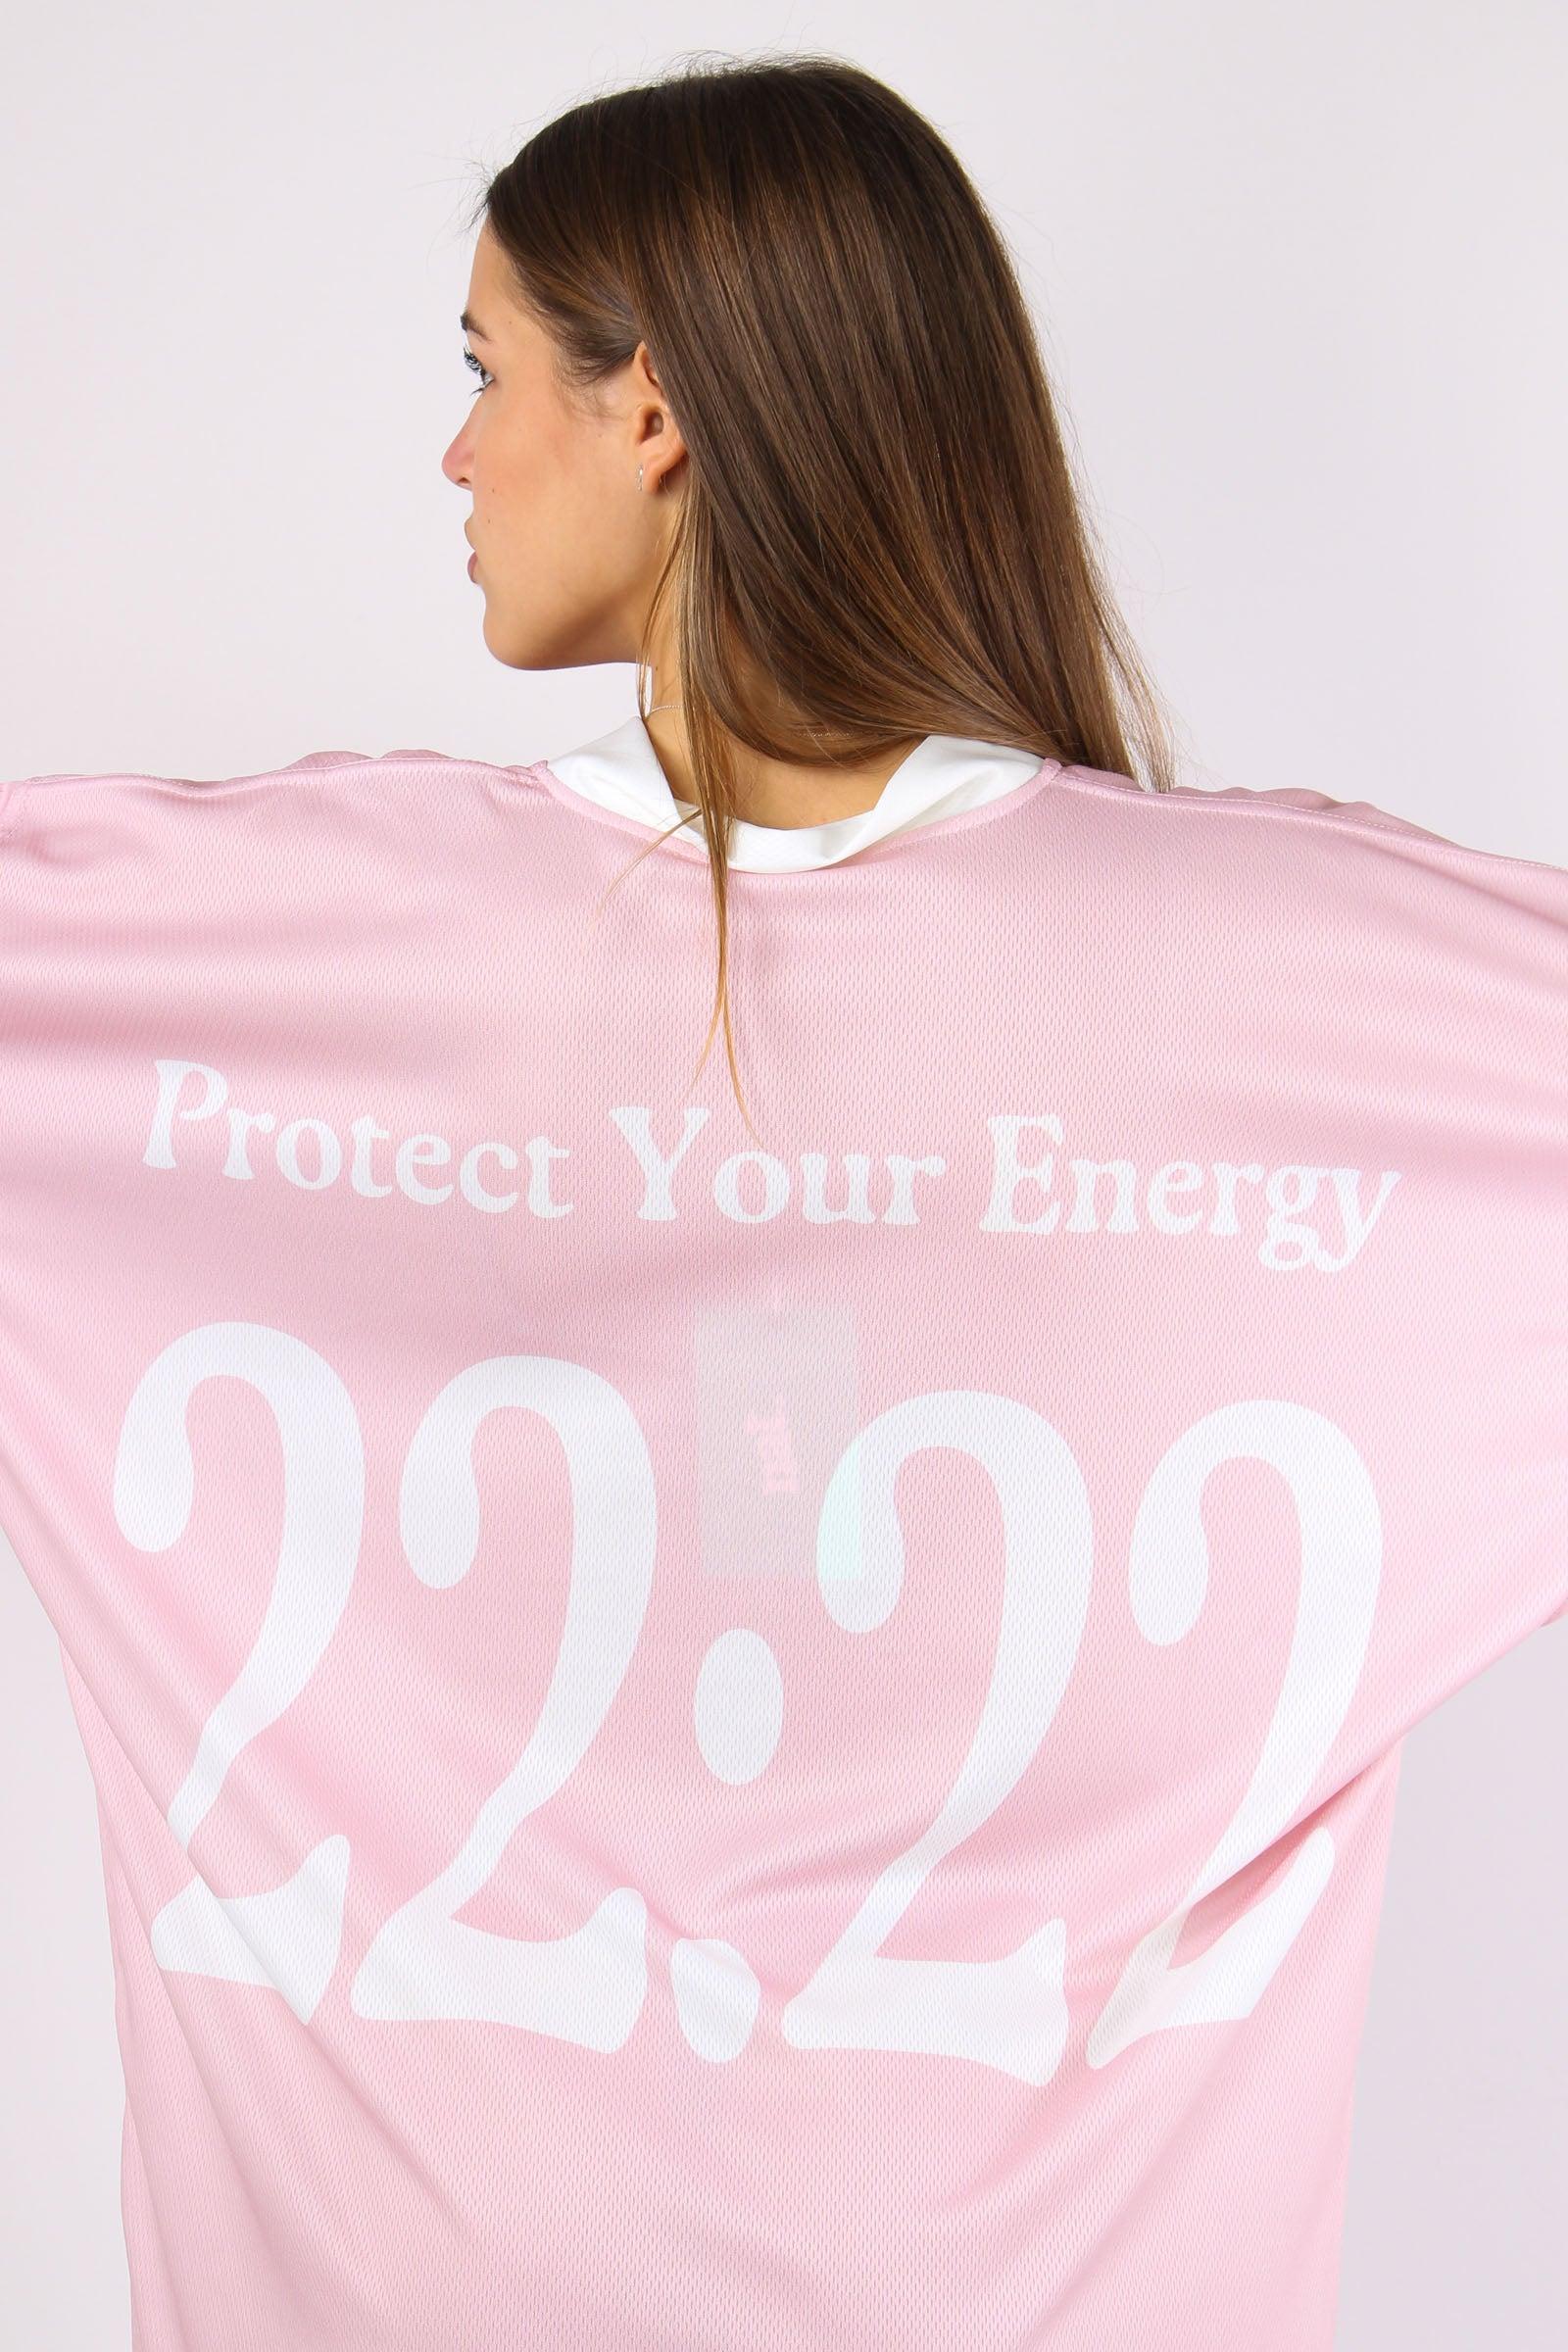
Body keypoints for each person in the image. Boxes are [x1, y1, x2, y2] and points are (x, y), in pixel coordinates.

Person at [1, 50, 1564, 2352]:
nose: (456, 452)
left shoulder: (222, 950)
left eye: (484, 368)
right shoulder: (1342, 992)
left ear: (650, 407)